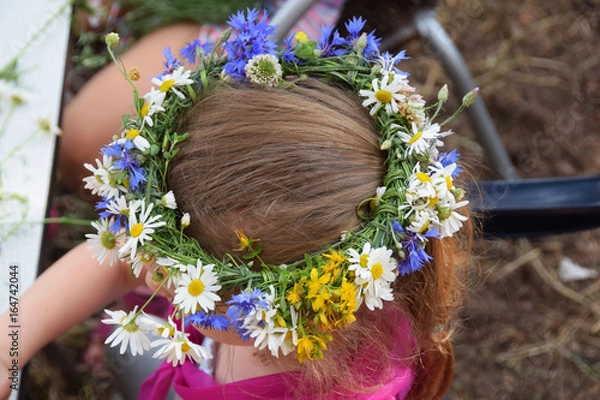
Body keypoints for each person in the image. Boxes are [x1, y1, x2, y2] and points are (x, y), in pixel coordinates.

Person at [0, 7, 473, 400]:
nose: (144, 267)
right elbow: (120, 261)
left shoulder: (329, 386)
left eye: (179, 275)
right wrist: (11, 341)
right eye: (157, 242)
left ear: (283, 312)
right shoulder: (279, 292)